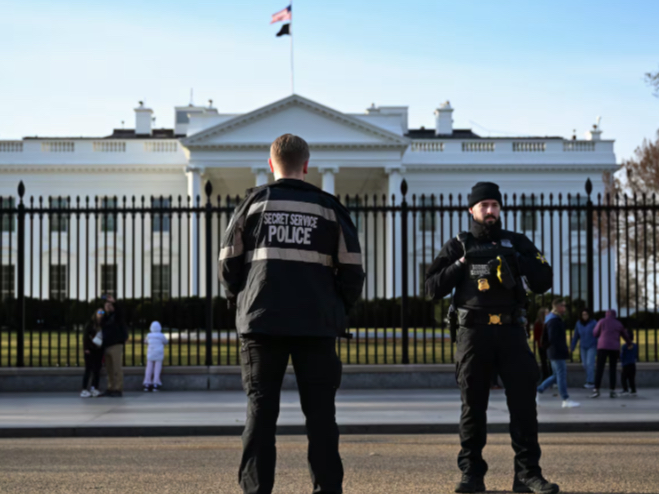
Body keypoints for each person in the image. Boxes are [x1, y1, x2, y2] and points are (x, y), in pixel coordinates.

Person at [219, 134, 364, 494]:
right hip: (316, 324)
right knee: (320, 416)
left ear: (271, 164)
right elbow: (353, 269)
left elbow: (227, 264)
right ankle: (327, 489)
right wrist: (338, 307)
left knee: (260, 414)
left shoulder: (253, 204)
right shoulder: (329, 207)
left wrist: (241, 298)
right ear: (307, 165)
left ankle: (257, 491)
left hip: (262, 321)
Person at [425, 181, 559, 494]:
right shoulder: (459, 243)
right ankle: (472, 474)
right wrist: (461, 264)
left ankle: (527, 474)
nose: (490, 211)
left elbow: (544, 280)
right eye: (484, 205)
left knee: (524, 406)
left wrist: (519, 263)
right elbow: (431, 287)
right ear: (471, 209)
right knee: (473, 407)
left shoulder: (516, 242)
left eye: (494, 205)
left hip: (512, 332)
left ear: (500, 209)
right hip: (473, 334)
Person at [536, 299, 580, 408]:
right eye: (563, 306)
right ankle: (565, 399)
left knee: (556, 376)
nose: (565, 308)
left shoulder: (552, 319)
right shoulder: (554, 320)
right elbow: (553, 338)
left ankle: (538, 390)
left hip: (554, 352)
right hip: (556, 352)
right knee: (561, 375)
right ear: (557, 307)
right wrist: (561, 349)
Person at [590, 309, 632, 399]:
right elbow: (625, 335)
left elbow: (595, 333)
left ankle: (596, 389)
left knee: (599, 368)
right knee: (612, 369)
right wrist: (629, 343)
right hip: (614, 348)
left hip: (602, 347)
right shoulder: (618, 323)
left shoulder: (602, 321)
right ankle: (612, 390)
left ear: (606, 314)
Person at [99, 295, 128, 397]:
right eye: (108, 305)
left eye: (111, 305)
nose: (109, 307)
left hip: (116, 344)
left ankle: (118, 388)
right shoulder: (106, 317)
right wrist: (104, 311)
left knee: (116, 368)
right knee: (109, 369)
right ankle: (111, 387)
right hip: (107, 345)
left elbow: (120, 312)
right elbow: (100, 322)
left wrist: (114, 303)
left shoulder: (118, 316)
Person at [570, 308, 598, 388]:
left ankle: (590, 381)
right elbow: (576, 335)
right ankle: (589, 379)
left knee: (590, 363)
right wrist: (573, 346)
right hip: (583, 346)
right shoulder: (578, 323)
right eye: (583, 315)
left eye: (586, 314)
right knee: (585, 364)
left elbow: (597, 334)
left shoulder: (593, 323)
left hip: (592, 346)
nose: (584, 316)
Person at [80, 308, 104, 398]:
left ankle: (94, 388)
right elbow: (85, 336)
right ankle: (84, 389)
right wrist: (86, 348)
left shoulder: (103, 324)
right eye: (99, 312)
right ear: (95, 313)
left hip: (99, 350)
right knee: (88, 369)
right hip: (90, 349)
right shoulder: (90, 324)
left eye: (102, 312)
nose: (101, 314)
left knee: (97, 370)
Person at [143, 321, 168, 392]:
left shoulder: (149, 335)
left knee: (149, 368)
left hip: (150, 354)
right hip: (159, 354)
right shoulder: (161, 335)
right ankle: (155, 384)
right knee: (157, 369)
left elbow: (145, 342)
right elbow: (166, 342)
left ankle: (147, 383)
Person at [533, 308, 551, 381]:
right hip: (542, 345)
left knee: (550, 362)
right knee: (544, 362)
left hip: (548, 345)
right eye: (546, 313)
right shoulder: (538, 323)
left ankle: (550, 377)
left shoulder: (549, 322)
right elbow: (536, 335)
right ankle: (545, 376)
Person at [620, 329, 639, 396]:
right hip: (632, 364)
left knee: (623, 378)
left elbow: (622, 356)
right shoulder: (635, 345)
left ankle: (625, 389)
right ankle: (633, 390)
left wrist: (621, 362)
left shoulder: (624, 346)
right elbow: (635, 355)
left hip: (625, 365)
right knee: (631, 378)